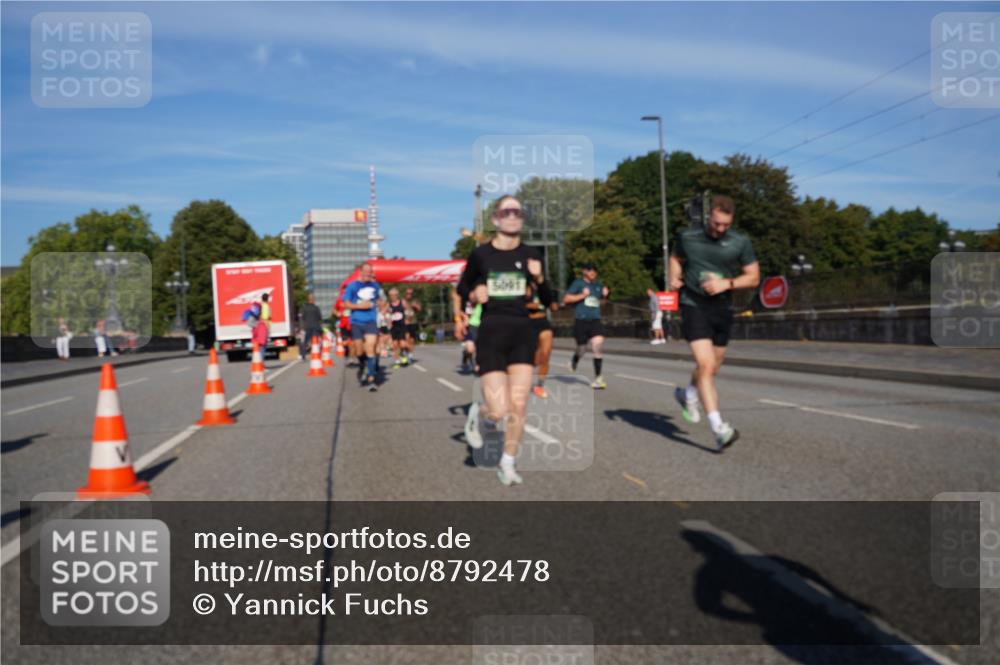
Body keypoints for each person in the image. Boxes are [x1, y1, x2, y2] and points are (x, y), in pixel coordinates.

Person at [456, 195, 552, 486]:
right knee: (499, 409)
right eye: (506, 211)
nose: (513, 216)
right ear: (496, 218)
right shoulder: (482, 255)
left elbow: (549, 300)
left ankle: (507, 462)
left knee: (519, 405)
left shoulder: (533, 254)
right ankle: (481, 414)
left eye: (518, 212)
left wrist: (539, 280)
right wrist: (474, 295)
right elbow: (462, 288)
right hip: (492, 331)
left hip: (523, 332)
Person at [669, 195, 760, 451]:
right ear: (709, 215)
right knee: (706, 364)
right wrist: (674, 278)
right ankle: (719, 428)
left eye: (725, 225)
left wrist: (727, 283)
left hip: (722, 307)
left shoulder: (739, 242)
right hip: (693, 305)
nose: (720, 229)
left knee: (713, 367)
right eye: (717, 223)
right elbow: (676, 258)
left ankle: (688, 395)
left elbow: (753, 277)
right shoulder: (688, 237)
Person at [563, 263, 610, 389]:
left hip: (595, 320)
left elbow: (601, 303)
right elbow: (566, 299)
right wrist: (582, 295)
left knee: (598, 346)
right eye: (590, 270)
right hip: (581, 321)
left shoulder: (598, 285)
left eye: (595, 270)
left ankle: (598, 378)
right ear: (584, 271)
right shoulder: (578, 283)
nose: (593, 272)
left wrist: (605, 295)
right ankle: (574, 360)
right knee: (582, 349)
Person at [343, 262, 383, 391]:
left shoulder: (375, 286)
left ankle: (371, 378)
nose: (368, 274)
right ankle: (362, 364)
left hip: (370, 321)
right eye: (366, 272)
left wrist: (381, 304)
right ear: (361, 272)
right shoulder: (352, 286)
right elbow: (346, 304)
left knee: (370, 346)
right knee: (359, 350)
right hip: (356, 321)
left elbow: (379, 300)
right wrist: (359, 306)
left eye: (370, 272)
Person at [527, 284, 557, 398]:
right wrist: (534, 305)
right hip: (527, 322)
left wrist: (553, 305)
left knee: (546, 353)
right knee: (532, 358)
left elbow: (552, 304)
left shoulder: (544, 287)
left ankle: (539, 385)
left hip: (543, 321)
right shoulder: (523, 285)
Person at [387, 288, 408, 368]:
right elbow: (386, 313)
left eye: (394, 295)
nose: (393, 297)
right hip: (394, 327)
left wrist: (407, 316)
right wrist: (388, 321)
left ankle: (404, 356)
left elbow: (408, 310)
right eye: (391, 295)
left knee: (402, 344)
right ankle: (397, 361)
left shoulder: (402, 302)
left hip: (402, 326)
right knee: (395, 345)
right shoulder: (389, 304)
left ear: (397, 295)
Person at [299, 293, 324, 360]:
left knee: (305, 341)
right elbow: (320, 317)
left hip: (307, 327)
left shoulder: (304, 308)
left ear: (308, 300)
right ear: (313, 300)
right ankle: (317, 354)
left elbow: (302, 318)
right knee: (316, 341)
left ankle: (303, 355)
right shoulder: (316, 308)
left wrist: (302, 327)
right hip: (316, 327)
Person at [402, 288, 422, 362]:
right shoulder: (402, 301)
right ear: (405, 293)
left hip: (413, 322)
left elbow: (419, 309)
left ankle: (410, 354)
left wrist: (415, 306)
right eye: (407, 293)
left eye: (410, 293)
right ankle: (404, 352)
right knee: (406, 338)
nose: (409, 295)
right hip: (405, 323)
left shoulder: (415, 301)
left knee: (412, 340)